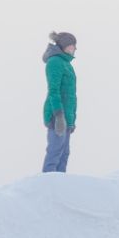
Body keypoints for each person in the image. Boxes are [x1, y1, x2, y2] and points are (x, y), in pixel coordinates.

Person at [41, 31, 78, 173]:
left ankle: (60, 187)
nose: (74, 48)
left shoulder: (67, 64)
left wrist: (71, 119)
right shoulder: (55, 62)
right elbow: (53, 90)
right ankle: (47, 186)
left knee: (64, 154)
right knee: (55, 153)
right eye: (72, 45)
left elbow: (70, 95)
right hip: (57, 116)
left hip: (66, 117)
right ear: (64, 45)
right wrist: (59, 116)